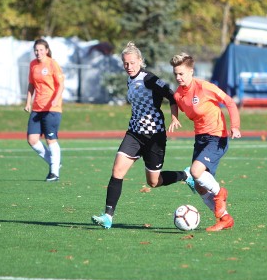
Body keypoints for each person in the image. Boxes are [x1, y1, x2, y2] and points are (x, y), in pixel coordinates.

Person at [91, 42, 195, 229]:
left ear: (140, 61)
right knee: (117, 171)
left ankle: (185, 175)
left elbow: (171, 95)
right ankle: (108, 216)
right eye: (125, 63)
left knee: (154, 182)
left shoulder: (149, 79)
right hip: (134, 134)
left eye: (132, 63)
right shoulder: (129, 79)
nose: (128, 67)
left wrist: (174, 117)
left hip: (154, 136)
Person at [169, 52, 241, 232]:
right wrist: (174, 117)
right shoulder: (179, 94)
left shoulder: (204, 87)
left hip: (217, 137)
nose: (178, 77)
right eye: (175, 74)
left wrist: (235, 126)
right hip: (200, 139)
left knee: (195, 171)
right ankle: (225, 219)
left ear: (191, 72)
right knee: (200, 186)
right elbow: (174, 102)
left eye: (181, 74)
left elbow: (229, 102)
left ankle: (219, 193)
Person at [24, 38, 64, 182]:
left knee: (50, 139)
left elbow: (60, 85)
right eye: (36, 50)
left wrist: (55, 99)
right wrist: (28, 101)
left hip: (52, 108)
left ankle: (54, 173)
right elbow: (31, 85)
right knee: (32, 139)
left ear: (46, 50)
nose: (38, 52)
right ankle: (55, 162)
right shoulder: (33, 65)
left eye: (41, 50)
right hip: (37, 107)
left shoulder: (52, 64)